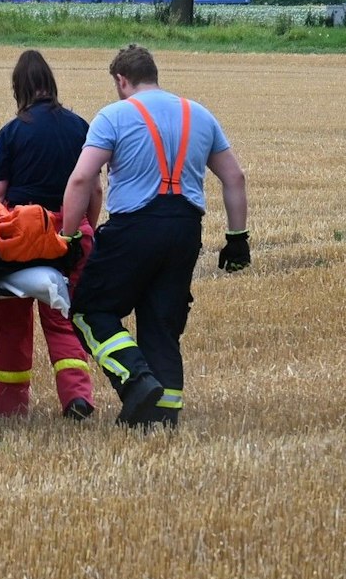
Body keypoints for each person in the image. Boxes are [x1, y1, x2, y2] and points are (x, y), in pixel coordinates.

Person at [61, 45, 250, 428]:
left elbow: (83, 178)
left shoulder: (113, 116)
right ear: (154, 74)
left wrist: (67, 237)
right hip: (184, 229)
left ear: (121, 80)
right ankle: (162, 417)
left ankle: (135, 379)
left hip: (134, 228)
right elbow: (235, 177)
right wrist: (237, 237)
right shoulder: (198, 114)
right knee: (162, 323)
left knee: (89, 310)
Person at [0, 49, 97, 420]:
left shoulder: (12, 131)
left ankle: (9, 406)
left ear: (19, 88)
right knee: (62, 320)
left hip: (21, 236)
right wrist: (87, 229)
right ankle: (77, 398)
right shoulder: (80, 126)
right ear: (51, 84)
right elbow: (93, 190)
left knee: (12, 326)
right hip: (68, 234)